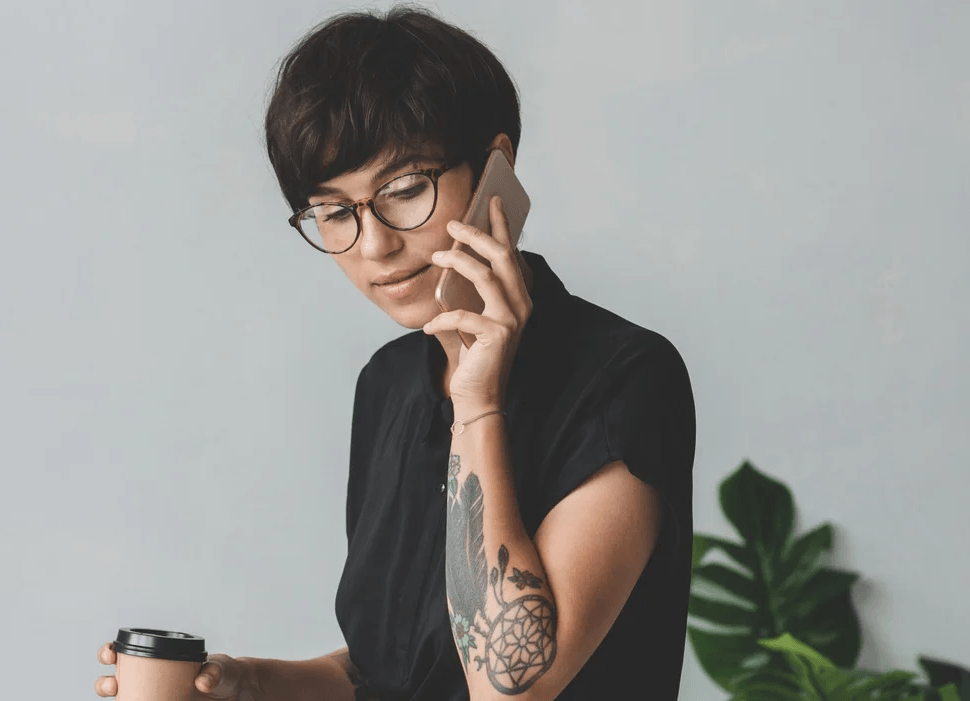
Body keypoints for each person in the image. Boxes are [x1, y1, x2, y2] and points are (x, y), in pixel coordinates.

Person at [96, 5, 696, 700]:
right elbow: (387, 671)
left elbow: (509, 684)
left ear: (495, 165)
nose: (373, 244)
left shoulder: (624, 376)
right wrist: (242, 681)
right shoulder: (389, 382)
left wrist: (478, 407)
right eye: (335, 211)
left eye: (404, 189)